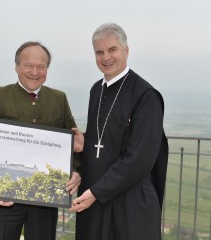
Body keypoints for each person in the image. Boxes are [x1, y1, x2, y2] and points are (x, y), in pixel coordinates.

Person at [69, 23, 169, 240]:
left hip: (129, 203)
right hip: (96, 198)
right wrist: (84, 143)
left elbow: (140, 159)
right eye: (99, 52)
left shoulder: (146, 95)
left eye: (112, 49)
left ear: (126, 50)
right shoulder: (96, 90)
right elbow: (108, 142)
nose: (106, 57)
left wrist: (96, 192)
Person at [0, 41, 82, 240]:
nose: (34, 72)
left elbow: (73, 141)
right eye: (28, 66)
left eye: (41, 66)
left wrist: (77, 170)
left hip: (45, 198)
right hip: (4, 198)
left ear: (47, 69)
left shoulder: (59, 99)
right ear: (17, 66)